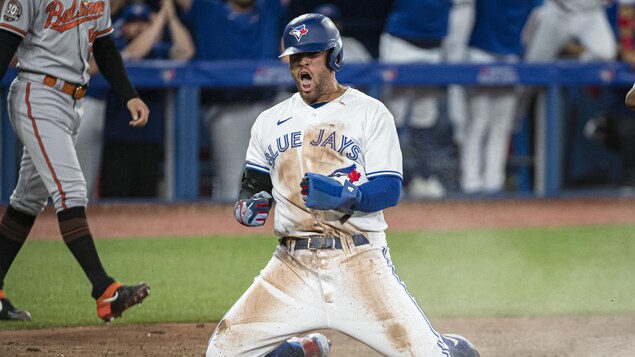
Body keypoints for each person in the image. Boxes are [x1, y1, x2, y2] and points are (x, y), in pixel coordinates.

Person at [206, 13, 481, 356]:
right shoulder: (268, 122)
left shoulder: (370, 113)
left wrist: (344, 195)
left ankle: (448, 348)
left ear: (334, 57)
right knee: (221, 352)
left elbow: (388, 188)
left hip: (359, 263)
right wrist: (249, 202)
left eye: (312, 55)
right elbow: (253, 183)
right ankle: (298, 352)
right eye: (295, 57)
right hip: (291, 266)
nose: (301, 64)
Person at [0, 0, 150, 321]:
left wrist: (130, 95)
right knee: (71, 191)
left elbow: (105, 45)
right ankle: (105, 291)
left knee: (27, 199)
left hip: (72, 102)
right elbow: (5, 42)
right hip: (37, 92)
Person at [180, 0, 290, 202]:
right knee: (231, 184)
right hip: (227, 109)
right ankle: (224, 230)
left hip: (267, 105)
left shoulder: (268, 8)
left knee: (282, 180)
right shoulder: (208, 9)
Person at [99, 0, 195, 198]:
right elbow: (134, 54)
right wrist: (158, 21)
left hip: (151, 140)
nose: (139, 27)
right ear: (122, 26)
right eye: (133, 22)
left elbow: (186, 51)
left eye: (144, 22)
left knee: (145, 201)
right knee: (113, 201)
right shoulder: (117, 46)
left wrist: (171, 17)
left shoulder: (158, 51)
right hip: (117, 140)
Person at [459, 0, 537, 195]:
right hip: (479, 53)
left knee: (502, 125)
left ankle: (493, 181)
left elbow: (537, 17)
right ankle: (470, 181)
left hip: (511, 55)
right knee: (479, 122)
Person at [379, 0, 453, 199]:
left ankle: (424, 177)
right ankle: (388, 178)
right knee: (394, 116)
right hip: (400, 41)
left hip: (434, 43)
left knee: (426, 113)